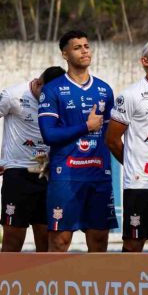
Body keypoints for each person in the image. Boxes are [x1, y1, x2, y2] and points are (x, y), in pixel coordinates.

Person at [38, 30, 117, 252]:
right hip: (66, 176)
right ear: (65, 54)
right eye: (77, 47)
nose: (84, 50)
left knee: (99, 239)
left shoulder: (104, 90)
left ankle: (97, 286)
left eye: (86, 46)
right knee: (60, 240)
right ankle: (56, 287)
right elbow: (49, 135)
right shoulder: (52, 90)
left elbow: (112, 135)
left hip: (99, 175)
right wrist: (86, 127)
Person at [0, 66, 66, 252]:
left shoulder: (62, 98)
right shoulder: (13, 95)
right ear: (38, 83)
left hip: (47, 174)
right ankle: (5, 280)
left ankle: (41, 281)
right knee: (12, 241)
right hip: (18, 174)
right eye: (47, 94)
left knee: (45, 241)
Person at [106, 38, 148, 253]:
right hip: (141, 184)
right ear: (145, 61)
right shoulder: (130, 95)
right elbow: (112, 140)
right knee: (134, 244)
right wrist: (133, 164)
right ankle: (127, 286)